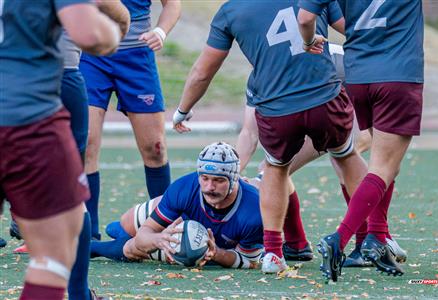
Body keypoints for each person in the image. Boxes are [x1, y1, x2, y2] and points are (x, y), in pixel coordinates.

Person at [172, 0, 370, 274]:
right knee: (342, 155)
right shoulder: (309, 11)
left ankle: (275, 252)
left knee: (276, 168)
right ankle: (366, 239)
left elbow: (202, 71)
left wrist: (182, 110)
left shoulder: (233, 13)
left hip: (286, 106)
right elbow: (361, 31)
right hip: (327, 98)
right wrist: (235, 176)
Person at [235, 44, 407, 268]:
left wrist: (261, 178)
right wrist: (233, 174)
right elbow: (249, 132)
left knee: (346, 155)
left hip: (374, 86)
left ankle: (377, 236)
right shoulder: (261, 76)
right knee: (277, 165)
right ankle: (298, 244)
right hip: (335, 108)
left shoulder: (328, 60)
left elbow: (341, 130)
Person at [0, 1, 122, 299]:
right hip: (23, 115)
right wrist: (114, 31)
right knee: (54, 251)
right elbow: (90, 34)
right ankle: (79, 293)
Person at [298, 0, 424, 281]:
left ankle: (377, 238)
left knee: (388, 162)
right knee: (383, 166)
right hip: (398, 74)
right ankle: (340, 239)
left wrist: (308, 41)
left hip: (359, 76)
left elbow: (306, 18)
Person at [80, 0, 181, 240]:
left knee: (155, 147)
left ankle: (165, 227)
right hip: (91, 54)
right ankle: (89, 233)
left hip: (137, 53)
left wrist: (160, 31)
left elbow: (172, 5)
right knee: (87, 142)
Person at [91, 142, 264, 269]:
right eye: (205, 178)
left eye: (218, 180)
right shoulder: (184, 188)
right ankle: (122, 233)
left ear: (235, 179)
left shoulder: (253, 211)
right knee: (126, 222)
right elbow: (145, 233)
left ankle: (95, 248)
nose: (210, 187)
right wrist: (158, 240)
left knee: (132, 248)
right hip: (187, 217)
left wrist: (217, 254)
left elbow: (249, 261)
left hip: (221, 244)